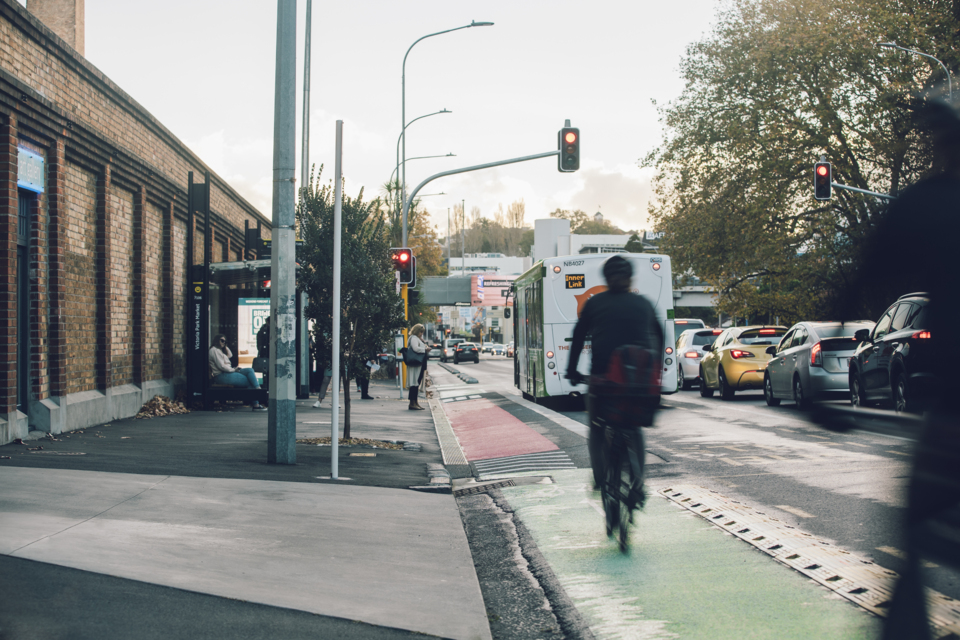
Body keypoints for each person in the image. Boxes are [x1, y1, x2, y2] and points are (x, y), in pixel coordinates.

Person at [565, 255, 663, 492]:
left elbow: (578, 338)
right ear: (631, 278)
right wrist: (655, 369)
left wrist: (572, 371)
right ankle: (638, 481)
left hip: (603, 384)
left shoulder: (594, 303)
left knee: (597, 429)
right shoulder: (644, 304)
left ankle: (600, 479)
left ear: (607, 278)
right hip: (640, 385)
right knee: (635, 427)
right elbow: (659, 336)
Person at [209, 334, 267, 411]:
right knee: (251, 381)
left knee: (250, 370)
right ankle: (256, 402)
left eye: (225, 341)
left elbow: (230, 355)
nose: (223, 343)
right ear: (216, 340)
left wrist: (225, 346)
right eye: (222, 341)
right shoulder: (214, 350)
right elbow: (222, 366)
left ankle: (257, 389)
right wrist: (233, 370)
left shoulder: (219, 350)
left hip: (227, 372)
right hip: (221, 375)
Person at [406, 324, 428, 410]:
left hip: (419, 364)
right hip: (415, 364)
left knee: (416, 383)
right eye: (420, 331)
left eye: (422, 332)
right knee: (414, 384)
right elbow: (415, 348)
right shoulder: (413, 338)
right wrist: (425, 349)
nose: (421, 333)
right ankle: (412, 403)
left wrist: (423, 342)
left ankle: (415, 402)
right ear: (416, 331)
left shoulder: (417, 338)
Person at [256, 316, 270, 391]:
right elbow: (260, 343)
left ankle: (266, 388)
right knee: (266, 373)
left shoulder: (263, 330)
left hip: (265, 354)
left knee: (267, 373)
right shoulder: (263, 330)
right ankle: (266, 388)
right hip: (266, 355)